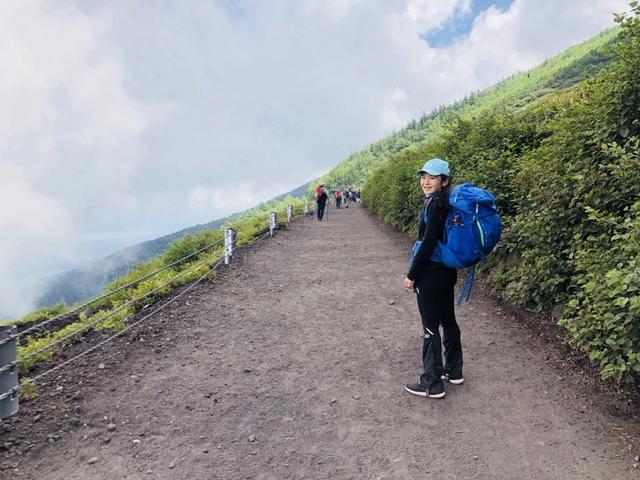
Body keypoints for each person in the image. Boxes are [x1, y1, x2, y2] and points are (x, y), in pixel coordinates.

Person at [403, 158, 463, 399]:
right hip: (447, 272)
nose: (425, 181)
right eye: (423, 177)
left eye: (432, 177)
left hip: (431, 273)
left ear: (444, 181)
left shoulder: (434, 205)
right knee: (448, 320)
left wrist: (412, 274)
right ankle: (455, 371)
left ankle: (432, 383)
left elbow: (427, 244)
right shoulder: (447, 203)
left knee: (429, 327)